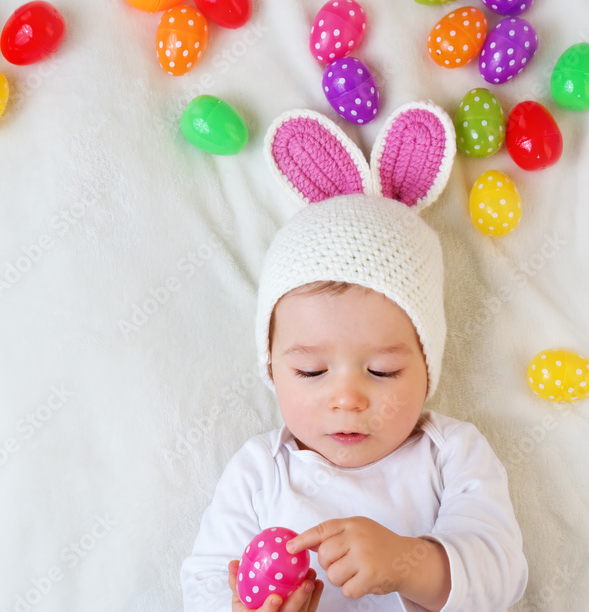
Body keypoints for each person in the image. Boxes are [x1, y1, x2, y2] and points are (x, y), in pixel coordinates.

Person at [181, 103, 528, 611]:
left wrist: (407, 562)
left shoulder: (450, 455)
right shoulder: (260, 472)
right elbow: (207, 578)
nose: (346, 398)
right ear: (272, 370)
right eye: (311, 371)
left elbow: (502, 573)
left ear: (428, 366)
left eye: (382, 370)